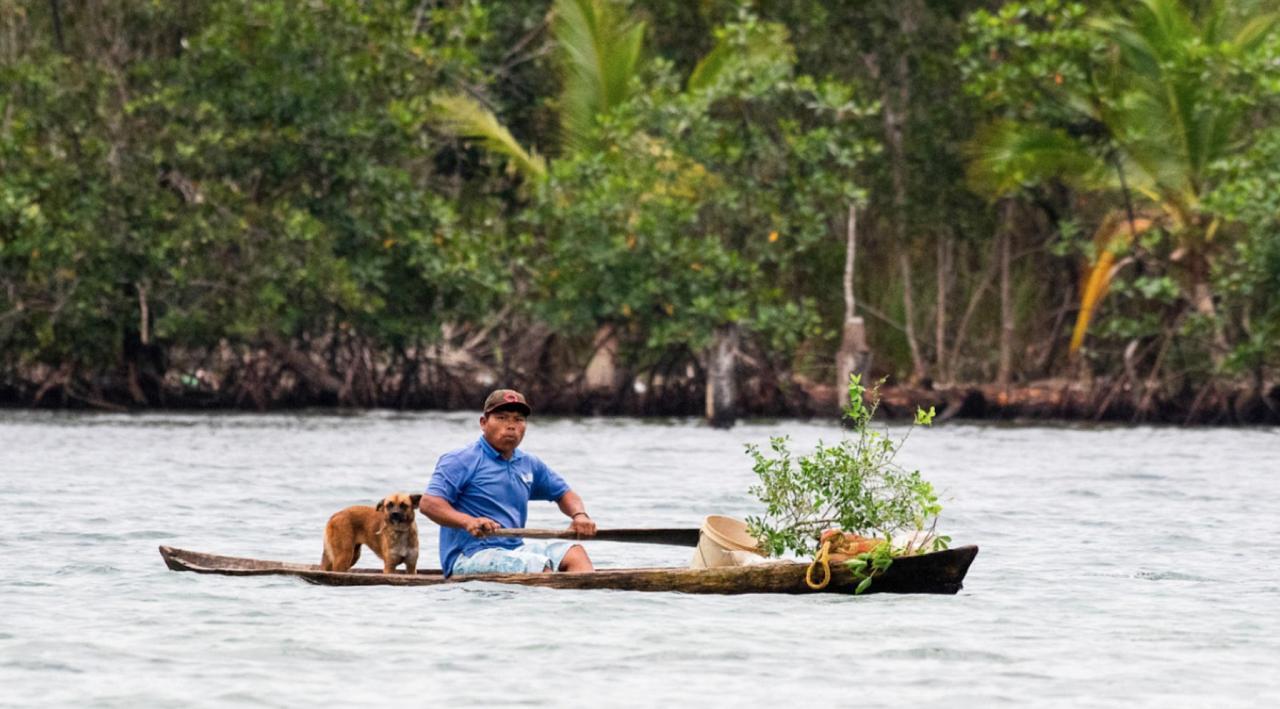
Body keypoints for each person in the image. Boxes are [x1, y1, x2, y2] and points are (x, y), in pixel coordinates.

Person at [420, 389, 597, 577]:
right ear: (483, 423)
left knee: (575, 553)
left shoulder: (529, 463)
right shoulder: (460, 460)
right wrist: (468, 522)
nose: (511, 426)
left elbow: (565, 494)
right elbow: (429, 503)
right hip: (469, 557)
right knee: (536, 566)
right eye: (502, 418)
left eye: (518, 419)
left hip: (515, 551)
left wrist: (580, 516)